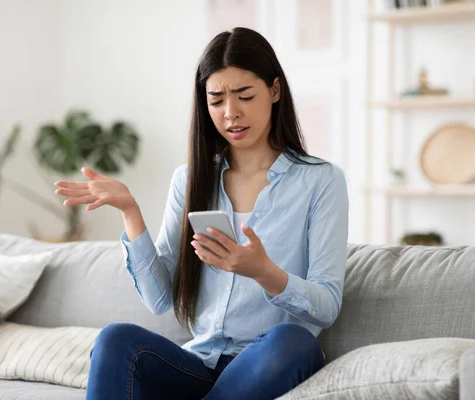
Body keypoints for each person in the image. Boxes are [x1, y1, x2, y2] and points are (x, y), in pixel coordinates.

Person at [55, 27, 349, 400]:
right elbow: (161, 299)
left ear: (274, 91)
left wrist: (264, 272)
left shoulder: (321, 181)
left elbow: (326, 306)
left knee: (294, 342)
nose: (231, 113)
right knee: (115, 339)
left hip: (267, 360)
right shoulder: (191, 180)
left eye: (245, 95)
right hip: (198, 365)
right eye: (216, 100)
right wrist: (131, 213)